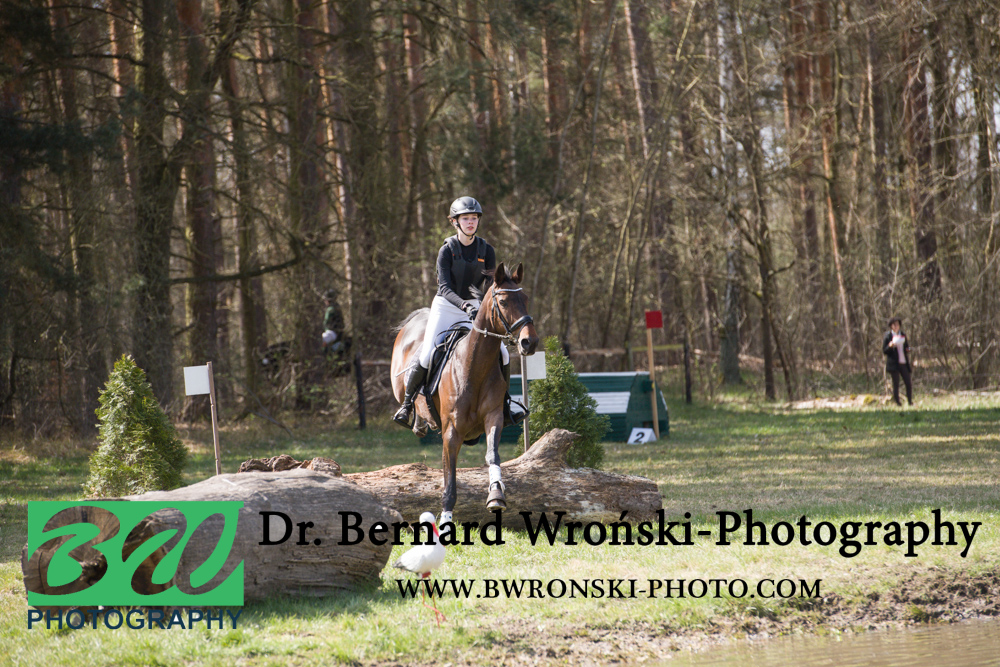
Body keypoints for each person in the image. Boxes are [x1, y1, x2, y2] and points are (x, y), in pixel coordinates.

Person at [393, 196, 526, 428]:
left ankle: (505, 405)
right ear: (455, 222)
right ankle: (407, 405)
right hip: (446, 306)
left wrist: (483, 307)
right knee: (427, 352)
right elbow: (444, 288)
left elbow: (490, 286)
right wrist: (464, 305)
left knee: (503, 353)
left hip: (474, 307)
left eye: (474, 218)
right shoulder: (446, 251)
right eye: (466, 218)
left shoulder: (487, 250)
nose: (471, 222)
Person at [882, 317, 912, 406]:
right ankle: (897, 402)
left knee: (908, 382)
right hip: (894, 363)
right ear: (891, 326)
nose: (896, 326)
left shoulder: (903, 335)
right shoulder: (888, 336)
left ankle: (910, 401)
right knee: (896, 383)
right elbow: (884, 350)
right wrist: (890, 346)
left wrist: (908, 349)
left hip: (903, 362)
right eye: (894, 325)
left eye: (897, 324)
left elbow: (906, 346)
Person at [322, 289, 345, 353]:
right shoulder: (337, 307)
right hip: (339, 334)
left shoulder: (330, 309)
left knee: (322, 339)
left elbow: (325, 323)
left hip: (333, 333)